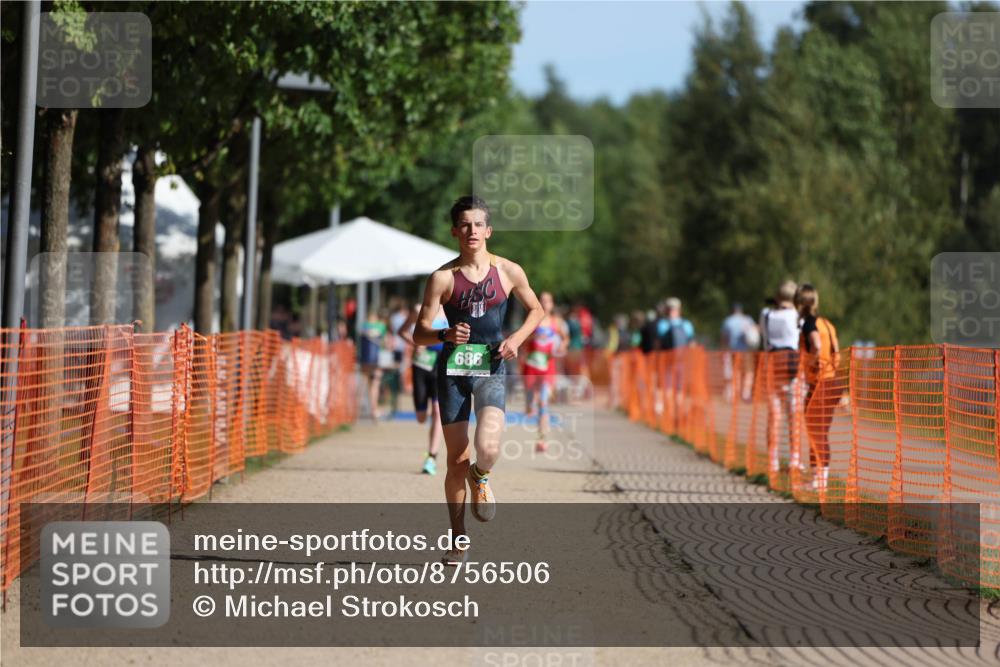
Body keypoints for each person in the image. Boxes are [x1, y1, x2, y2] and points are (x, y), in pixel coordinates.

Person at [412, 195, 544, 565]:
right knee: (455, 459)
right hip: (453, 372)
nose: (472, 231)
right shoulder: (442, 278)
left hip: (492, 366)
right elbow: (419, 333)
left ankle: (480, 478)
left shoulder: (508, 271)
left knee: (488, 449)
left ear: (489, 230)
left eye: (478, 224)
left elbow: (537, 310)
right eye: (464, 225)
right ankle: (458, 540)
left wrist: (516, 340)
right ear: (455, 231)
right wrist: (444, 335)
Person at [797, 284, 841, 494]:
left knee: (816, 431)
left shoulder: (809, 323)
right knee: (818, 431)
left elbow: (814, 345)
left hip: (820, 381)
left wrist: (813, 363)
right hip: (833, 380)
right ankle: (818, 478)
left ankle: (820, 480)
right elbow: (837, 350)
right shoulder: (827, 324)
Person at [398, 303, 450, 475]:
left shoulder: (452, 308)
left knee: (437, 410)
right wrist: (415, 344)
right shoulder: (418, 308)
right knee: (421, 417)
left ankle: (431, 457)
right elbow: (402, 331)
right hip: (422, 363)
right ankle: (425, 411)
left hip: (442, 363)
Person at [763, 281, 801, 473]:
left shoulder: (767, 315)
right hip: (792, 366)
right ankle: (794, 458)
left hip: (771, 364)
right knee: (793, 414)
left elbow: (764, 341)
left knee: (774, 415)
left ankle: (772, 460)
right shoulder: (796, 316)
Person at [522, 292, 564, 453]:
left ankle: (542, 440)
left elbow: (565, 338)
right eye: (542, 300)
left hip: (547, 367)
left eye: (548, 301)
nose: (545, 303)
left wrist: (561, 346)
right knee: (530, 406)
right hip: (531, 366)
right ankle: (529, 406)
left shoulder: (556, 322)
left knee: (543, 402)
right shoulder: (532, 320)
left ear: (552, 304)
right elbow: (523, 339)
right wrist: (533, 337)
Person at [720, 302, 757, 402]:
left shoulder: (728, 321)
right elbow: (755, 334)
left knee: (736, 372)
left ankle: (734, 394)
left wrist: (724, 350)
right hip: (746, 351)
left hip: (733, 351)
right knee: (748, 372)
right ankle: (746, 394)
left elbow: (724, 338)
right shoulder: (747, 319)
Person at [358, 309, 388, 423]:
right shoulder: (381, 326)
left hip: (365, 360)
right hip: (376, 360)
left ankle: (356, 410)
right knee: (374, 385)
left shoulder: (363, 326)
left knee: (363, 384)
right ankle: (374, 410)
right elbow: (384, 343)